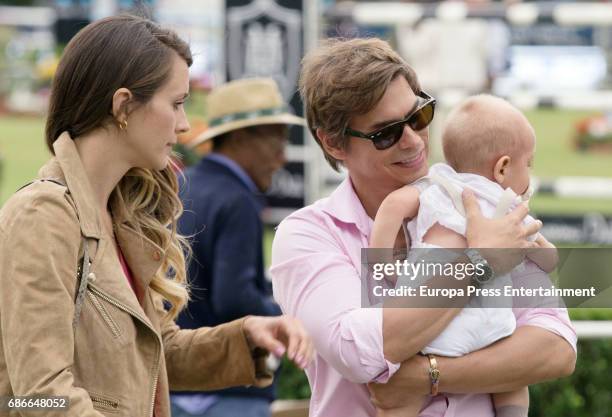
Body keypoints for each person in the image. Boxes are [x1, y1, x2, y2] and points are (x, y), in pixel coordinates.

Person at [0, 15, 313, 417]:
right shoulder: (43, 215)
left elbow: (151, 352)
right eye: (177, 103)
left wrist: (244, 338)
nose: (185, 125)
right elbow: (39, 395)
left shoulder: (121, 215)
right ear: (124, 105)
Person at [270, 37, 576, 417]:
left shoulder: (481, 203)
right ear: (333, 143)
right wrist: (480, 263)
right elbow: (358, 353)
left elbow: (556, 348)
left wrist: (431, 375)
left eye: (419, 116)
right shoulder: (309, 235)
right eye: (386, 133)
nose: (413, 141)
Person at [369, 94, 559, 417]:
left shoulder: (434, 186)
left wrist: (382, 265)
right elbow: (548, 257)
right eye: (528, 164)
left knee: (400, 400)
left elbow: (391, 208)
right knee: (512, 382)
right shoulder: (509, 207)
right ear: (502, 168)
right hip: (491, 327)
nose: (529, 175)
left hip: (427, 322)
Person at [170, 78, 306, 417]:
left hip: (176, 379)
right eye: (274, 137)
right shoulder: (237, 200)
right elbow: (234, 297)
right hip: (227, 390)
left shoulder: (184, 185)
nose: (282, 154)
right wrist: (290, 315)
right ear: (240, 137)